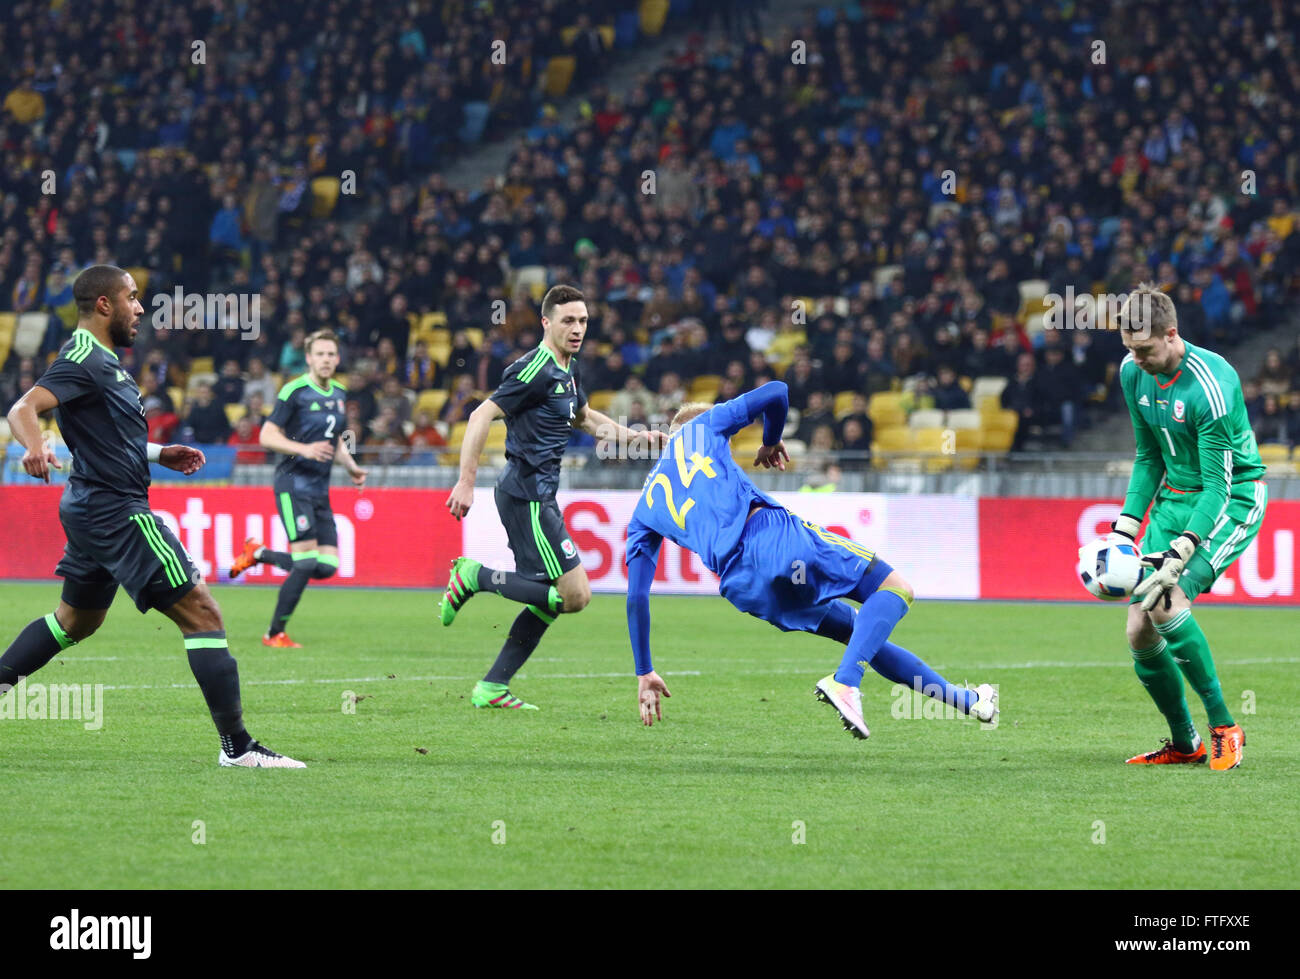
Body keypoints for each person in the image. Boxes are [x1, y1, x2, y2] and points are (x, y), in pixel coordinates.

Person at [0, 265, 303, 768]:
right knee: (203, 614)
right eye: (132, 298)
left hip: (90, 507)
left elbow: (109, 438)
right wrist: (34, 447)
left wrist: (160, 453)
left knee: (74, 621)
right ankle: (239, 749)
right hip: (116, 512)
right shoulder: (81, 358)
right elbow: (23, 408)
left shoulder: (106, 363)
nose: (140, 308)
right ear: (104, 305)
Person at [623, 381, 997, 737]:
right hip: (768, 537)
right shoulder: (699, 428)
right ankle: (845, 683)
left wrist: (645, 671)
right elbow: (777, 392)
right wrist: (770, 441)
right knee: (895, 588)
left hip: (744, 588)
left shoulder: (643, 511)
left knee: (860, 635)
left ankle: (969, 701)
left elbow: (637, 597)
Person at [439, 285, 667, 710]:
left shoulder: (566, 369)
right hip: (526, 495)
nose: (577, 328)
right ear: (546, 322)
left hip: (538, 495)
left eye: (582, 321)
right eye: (568, 320)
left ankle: (492, 687)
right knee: (574, 596)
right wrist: (465, 481)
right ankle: (474, 576)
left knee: (549, 598)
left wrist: (636, 438)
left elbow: (583, 418)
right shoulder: (534, 369)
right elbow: (480, 414)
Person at [1111, 284, 1266, 771]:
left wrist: (1183, 548)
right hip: (1174, 501)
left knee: (1163, 602)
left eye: (1144, 350)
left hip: (1229, 500)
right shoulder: (1131, 374)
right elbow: (1147, 454)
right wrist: (1124, 529)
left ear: (1172, 334)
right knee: (1137, 629)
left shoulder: (1211, 385)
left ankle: (1225, 727)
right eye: (1129, 350)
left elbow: (1218, 488)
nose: (1136, 360)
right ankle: (1185, 743)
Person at [228, 329, 368, 647]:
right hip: (292, 485)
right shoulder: (294, 391)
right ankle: (274, 633)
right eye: (320, 354)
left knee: (327, 566)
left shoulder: (340, 393)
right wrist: (304, 450)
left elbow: (334, 441)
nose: (326, 359)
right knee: (305, 562)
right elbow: (267, 435)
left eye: (331, 354)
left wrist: (351, 467)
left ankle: (259, 553)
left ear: (338, 358)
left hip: (320, 488)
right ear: (308, 358)